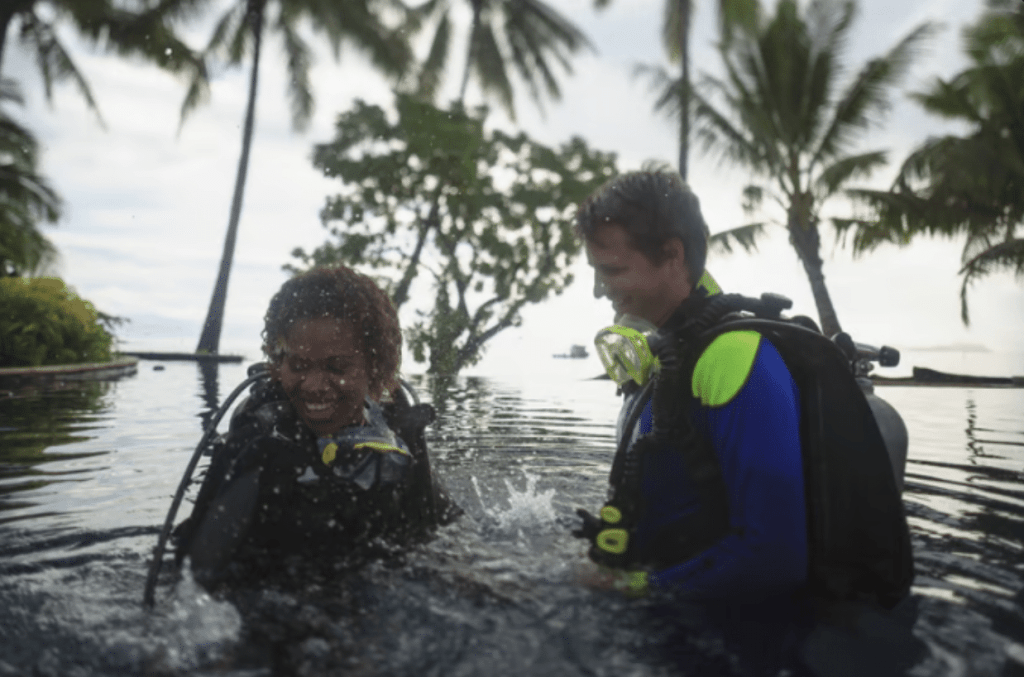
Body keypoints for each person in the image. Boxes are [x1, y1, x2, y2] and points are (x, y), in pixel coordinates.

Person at [571, 169, 916, 673]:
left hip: (744, 643)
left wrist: (633, 588)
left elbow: (774, 555)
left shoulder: (733, 360)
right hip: (686, 614)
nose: (601, 290)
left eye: (614, 270)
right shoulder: (670, 354)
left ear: (672, 255)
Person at [174, 265, 460, 585]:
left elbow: (446, 534)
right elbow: (190, 579)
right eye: (298, 365)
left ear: (376, 366)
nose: (313, 385)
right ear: (277, 363)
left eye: (337, 366)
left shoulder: (396, 438)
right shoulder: (258, 448)